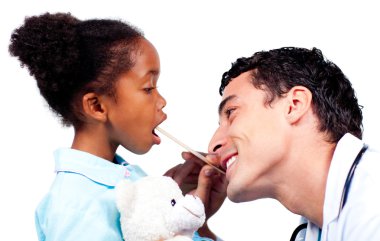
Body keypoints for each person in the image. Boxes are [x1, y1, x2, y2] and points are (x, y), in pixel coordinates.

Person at [9, 12, 221, 241]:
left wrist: (193, 222)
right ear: (97, 106)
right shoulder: (76, 207)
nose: (161, 101)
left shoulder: (134, 185)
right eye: (148, 88)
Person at [204, 47, 380, 241]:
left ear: (294, 105)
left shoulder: (372, 204)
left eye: (231, 112)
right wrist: (197, 228)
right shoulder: (316, 227)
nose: (213, 145)